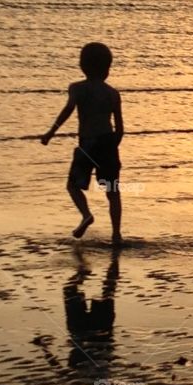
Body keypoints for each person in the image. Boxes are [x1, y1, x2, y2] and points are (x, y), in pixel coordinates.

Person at [41, 42, 124, 243]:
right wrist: (113, 147)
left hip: (87, 144)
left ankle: (86, 215)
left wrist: (51, 132)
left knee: (72, 185)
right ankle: (116, 234)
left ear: (82, 66)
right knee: (112, 191)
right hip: (107, 143)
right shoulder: (112, 93)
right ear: (107, 69)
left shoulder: (77, 88)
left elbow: (68, 110)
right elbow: (120, 127)